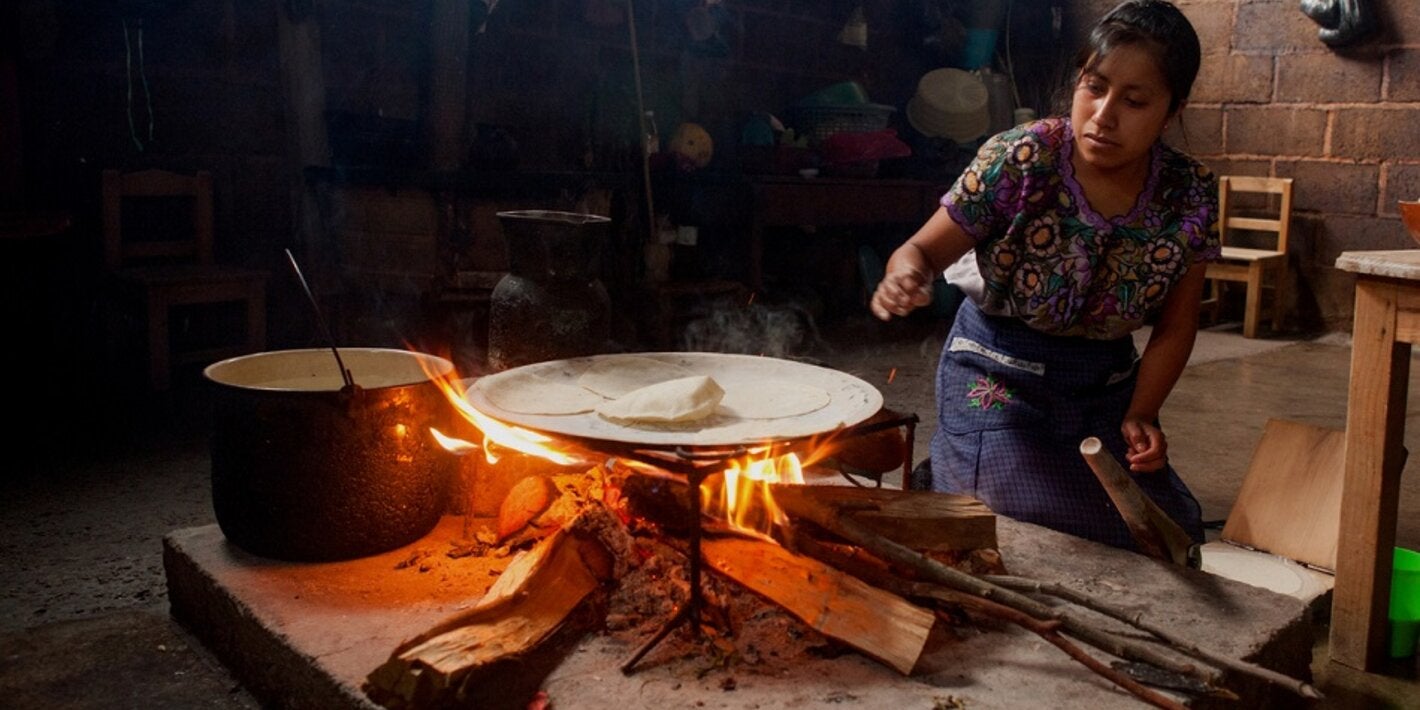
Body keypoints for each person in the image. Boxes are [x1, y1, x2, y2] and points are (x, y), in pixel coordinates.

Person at [870, 0, 1215, 552]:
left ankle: (963, 465)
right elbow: (921, 251)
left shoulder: (1189, 192)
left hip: (1099, 386)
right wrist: (905, 275)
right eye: (1094, 87)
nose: (1103, 115)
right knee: (1021, 510)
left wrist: (1142, 412)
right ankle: (958, 464)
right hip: (996, 370)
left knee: (1157, 528)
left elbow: (1176, 326)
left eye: (1134, 101)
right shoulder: (1022, 157)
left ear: (1172, 111)